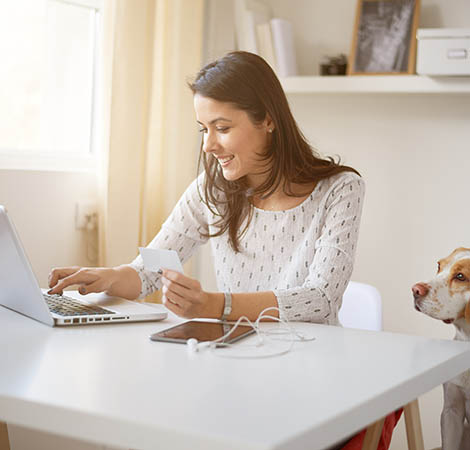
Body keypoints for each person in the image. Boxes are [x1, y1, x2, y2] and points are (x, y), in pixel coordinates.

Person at [48, 51, 365, 325]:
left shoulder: (339, 190)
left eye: (222, 128)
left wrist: (217, 305)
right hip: (235, 355)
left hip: (313, 360)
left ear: (268, 120)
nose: (208, 145)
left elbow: (320, 298)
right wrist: (107, 277)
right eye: (204, 129)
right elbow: (148, 273)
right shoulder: (212, 190)